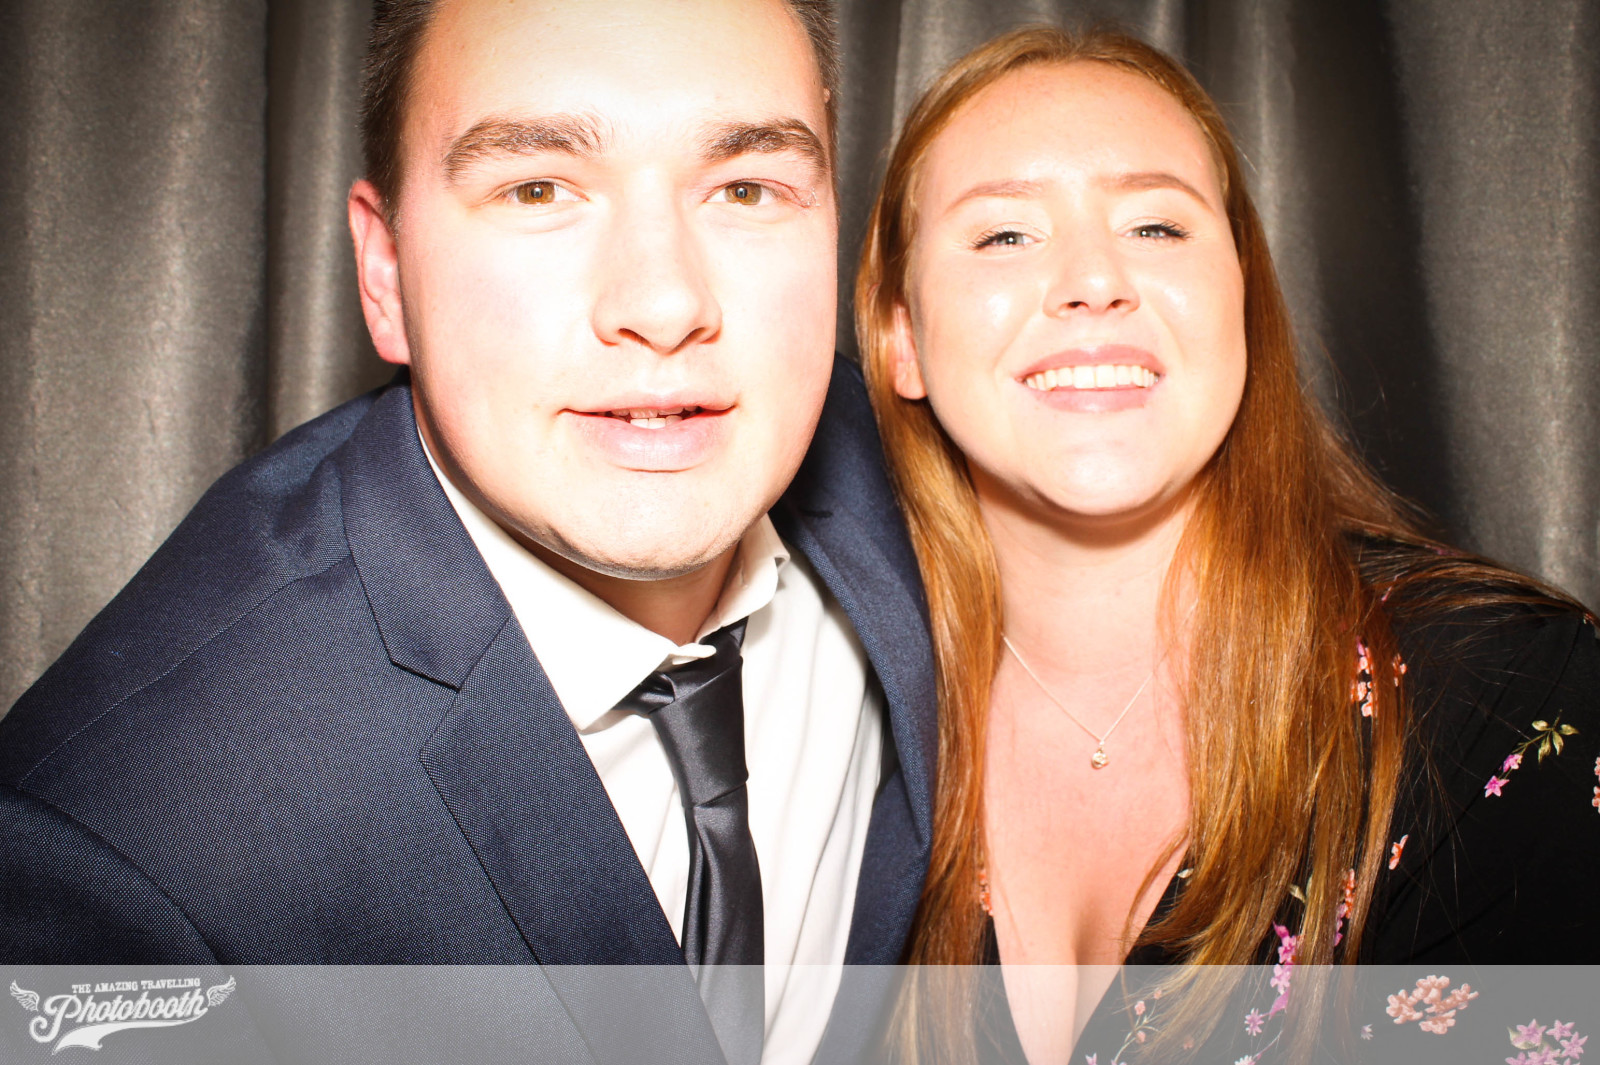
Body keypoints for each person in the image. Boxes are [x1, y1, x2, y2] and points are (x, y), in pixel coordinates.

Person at [0, 2, 934, 1063]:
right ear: (385, 273)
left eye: (746, 188)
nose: (666, 302)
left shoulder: (929, 478)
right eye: (538, 189)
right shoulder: (129, 847)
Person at [855, 25, 1600, 1064]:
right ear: (901, 335)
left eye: (1156, 225)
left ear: (1243, 294)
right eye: (1004, 235)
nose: (1093, 281)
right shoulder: (820, 716)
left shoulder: (1507, 697)